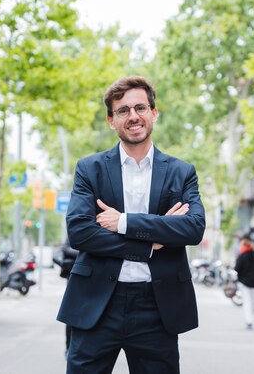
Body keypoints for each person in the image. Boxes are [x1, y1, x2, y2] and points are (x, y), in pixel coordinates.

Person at [57, 76, 206, 374]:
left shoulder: (181, 172)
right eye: (123, 111)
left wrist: (123, 222)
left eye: (140, 107)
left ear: (154, 112)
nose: (133, 116)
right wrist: (152, 242)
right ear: (112, 121)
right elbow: (80, 232)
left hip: (157, 306)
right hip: (97, 304)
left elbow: (193, 228)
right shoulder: (90, 169)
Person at [234, 233, 254, 330]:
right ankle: (250, 319)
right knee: (252, 302)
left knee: (247, 302)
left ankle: (249, 321)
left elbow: (237, 268)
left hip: (244, 283)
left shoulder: (242, 255)